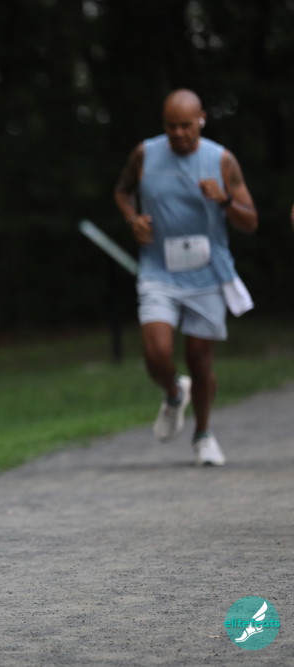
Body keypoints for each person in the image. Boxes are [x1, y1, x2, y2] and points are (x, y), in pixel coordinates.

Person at [113, 89, 258, 466]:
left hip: (207, 273)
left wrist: (224, 200)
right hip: (158, 269)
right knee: (156, 352)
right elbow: (123, 192)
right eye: (171, 126)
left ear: (202, 119)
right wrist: (133, 219)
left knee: (199, 358)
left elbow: (250, 222)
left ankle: (204, 435)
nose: (178, 133)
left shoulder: (221, 160)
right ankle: (175, 393)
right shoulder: (145, 154)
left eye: (186, 125)